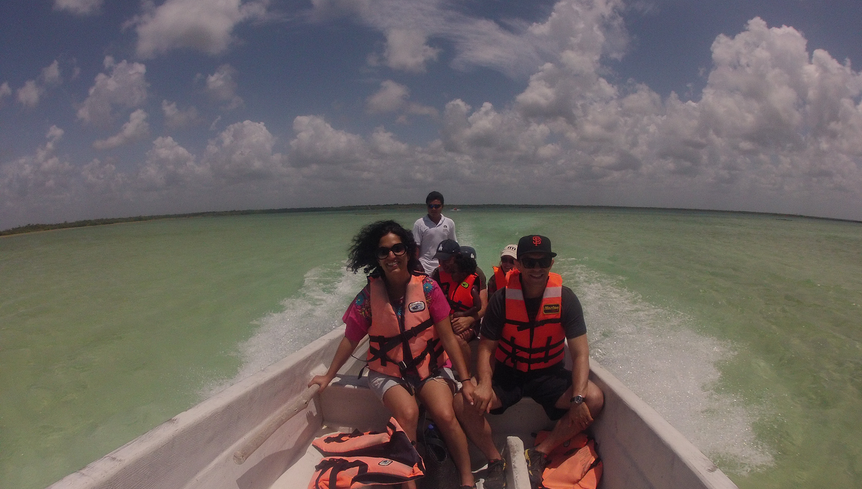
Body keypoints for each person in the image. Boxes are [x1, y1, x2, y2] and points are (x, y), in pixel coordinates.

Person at [309, 220, 479, 489]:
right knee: (408, 413)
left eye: (397, 248)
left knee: (446, 415)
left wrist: (467, 380)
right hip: (388, 372)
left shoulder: (428, 289)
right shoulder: (367, 298)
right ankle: (407, 484)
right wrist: (328, 375)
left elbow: (447, 337)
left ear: (409, 251)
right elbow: (350, 340)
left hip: (429, 367)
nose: (391, 256)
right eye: (383, 251)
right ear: (375, 257)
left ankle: (467, 479)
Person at [454, 235, 605, 489]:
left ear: (551, 264)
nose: (536, 269)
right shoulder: (501, 300)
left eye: (543, 261)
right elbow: (486, 350)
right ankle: (494, 459)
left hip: (549, 375)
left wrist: (577, 397)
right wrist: (484, 383)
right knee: (461, 401)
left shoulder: (566, 299)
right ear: (518, 265)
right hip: (508, 375)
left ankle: (540, 452)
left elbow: (580, 354)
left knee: (595, 398)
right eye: (529, 262)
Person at [430, 240, 483, 365]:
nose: (442, 264)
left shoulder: (475, 273)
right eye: (439, 260)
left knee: (458, 340)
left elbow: (483, 306)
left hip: (469, 320)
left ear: (456, 257)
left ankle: (466, 374)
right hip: (447, 318)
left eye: (446, 260)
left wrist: (468, 319)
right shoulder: (437, 274)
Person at [413, 191, 457, 275]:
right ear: (427, 206)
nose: (433, 209)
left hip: (444, 266)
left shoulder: (449, 223)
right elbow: (416, 247)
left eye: (437, 206)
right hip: (424, 266)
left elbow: (453, 245)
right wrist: (415, 265)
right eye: (431, 206)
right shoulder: (419, 224)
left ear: (442, 206)